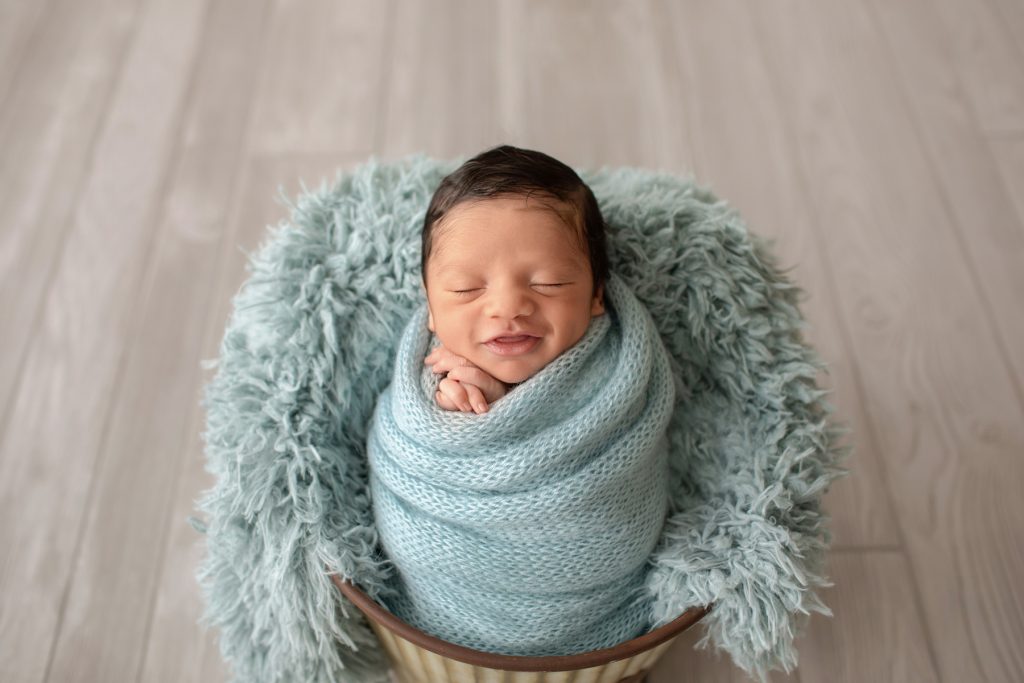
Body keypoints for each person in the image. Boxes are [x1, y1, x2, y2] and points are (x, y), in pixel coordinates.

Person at [420, 144, 610, 414]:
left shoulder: (619, 372)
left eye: (548, 283)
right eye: (467, 288)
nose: (508, 307)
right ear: (430, 305)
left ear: (597, 294)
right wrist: (456, 420)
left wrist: (502, 408)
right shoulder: (424, 376)